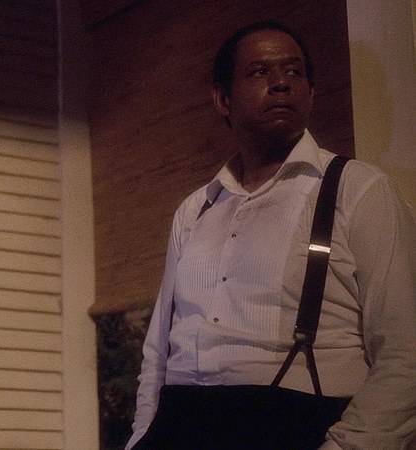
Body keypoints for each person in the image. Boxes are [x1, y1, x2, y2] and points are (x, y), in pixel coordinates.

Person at [125, 22, 416, 449]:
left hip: (293, 424)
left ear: (311, 93)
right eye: (260, 72)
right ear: (222, 99)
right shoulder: (195, 209)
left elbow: (405, 350)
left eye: (294, 72)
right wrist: (140, 438)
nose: (281, 83)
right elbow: (157, 356)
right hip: (178, 424)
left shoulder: (358, 189)